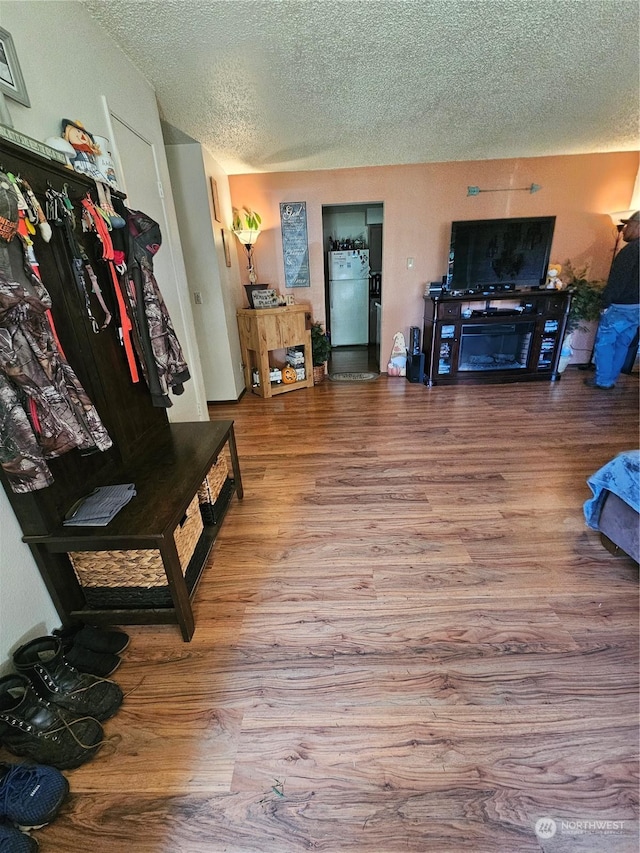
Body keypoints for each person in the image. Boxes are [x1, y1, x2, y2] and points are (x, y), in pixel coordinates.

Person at [585, 210, 640, 389]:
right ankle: (611, 379)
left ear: (638, 226)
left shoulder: (631, 251)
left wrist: (605, 303)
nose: (624, 230)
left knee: (605, 343)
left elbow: (618, 281)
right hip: (637, 308)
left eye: (628, 225)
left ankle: (603, 380)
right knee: (622, 344)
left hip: (620, 306)